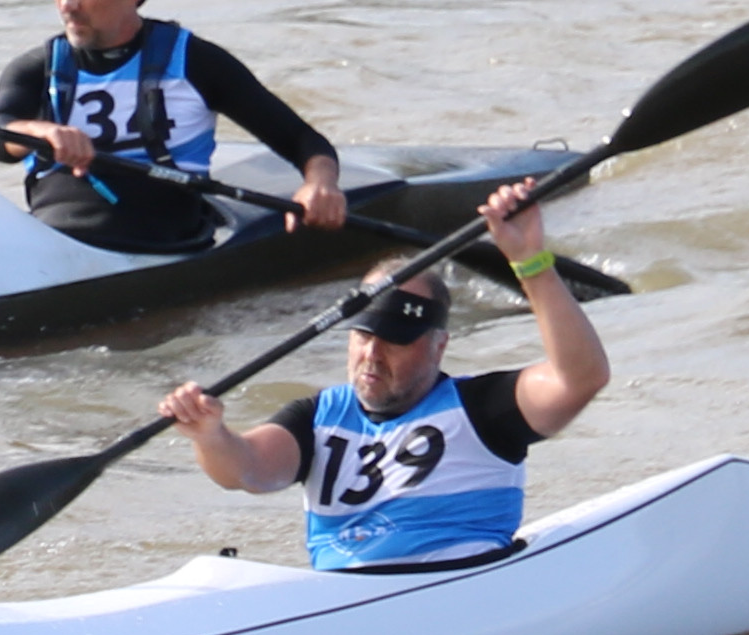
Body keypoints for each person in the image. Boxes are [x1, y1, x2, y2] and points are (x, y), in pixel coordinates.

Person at [159, 184, 606, 566]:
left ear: (438, 346)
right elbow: (248, 472)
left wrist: (531, 262)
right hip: (344, 602)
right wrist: (210, 435)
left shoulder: (484, 409)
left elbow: (581, 378)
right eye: (365, 335)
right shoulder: (318, 417)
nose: (373, 353)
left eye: (396, 338)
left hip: (453, 587)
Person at [0, 0, 347, 243]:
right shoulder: (36, 68)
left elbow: (302, 140)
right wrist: (42, 133)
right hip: (53, 233)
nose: (67, 5)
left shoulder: (196, 63)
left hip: (163, 233)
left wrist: (320, 184)